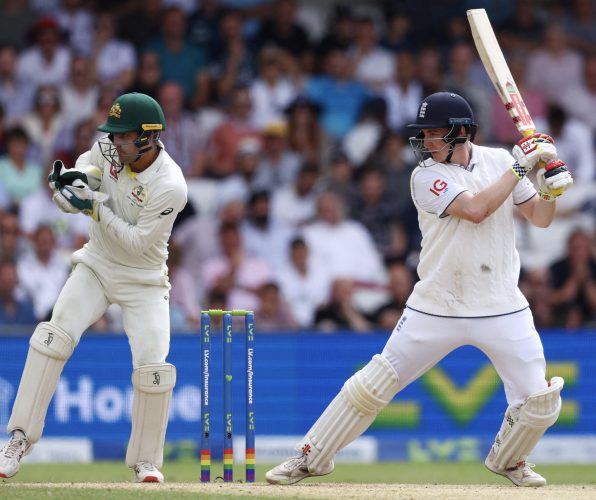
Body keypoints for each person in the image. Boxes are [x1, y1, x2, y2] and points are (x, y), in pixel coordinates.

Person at [266, 91, 574, 488]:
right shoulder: (426, 175)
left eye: (433, 134)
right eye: (423, 134)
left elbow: (541, 219)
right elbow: (476, 210)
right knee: (372, 383)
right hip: (437, 304)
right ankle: (309, 458)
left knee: (540, 401)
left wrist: (548, 183)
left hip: (501, 304)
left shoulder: (498, 161)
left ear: (461, 133)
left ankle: (510, 460)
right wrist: (520, 167)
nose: (425, 142)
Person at [0, 92, 187, 483]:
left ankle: (146, 460)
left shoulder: (170, 184)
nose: (114, 143)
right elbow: (89, 167)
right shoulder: (109, 147)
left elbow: (136, 241)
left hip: (145, 280)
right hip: (98, 265)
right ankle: (17, 440)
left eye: (123, 136)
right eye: (113, 135)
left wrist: (92, 207)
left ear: (148, 137)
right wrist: (73, 185)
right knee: (52, 337)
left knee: (153, 367)